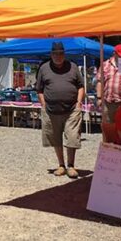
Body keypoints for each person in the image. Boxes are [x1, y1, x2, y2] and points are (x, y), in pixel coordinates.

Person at [36, 42, 85, 178]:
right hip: (51, 110)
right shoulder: (44, 68)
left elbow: (81, 86)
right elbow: (39, 89)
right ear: (51, 54)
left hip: (72, 109)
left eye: (61, 53)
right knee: (55, 138)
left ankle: (71, 165)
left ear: (64, 54)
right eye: (55, 54)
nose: (58, 56)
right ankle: (61, 165)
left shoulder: (73, 67)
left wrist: (79, 102)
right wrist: (43, 104)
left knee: (72, 137)